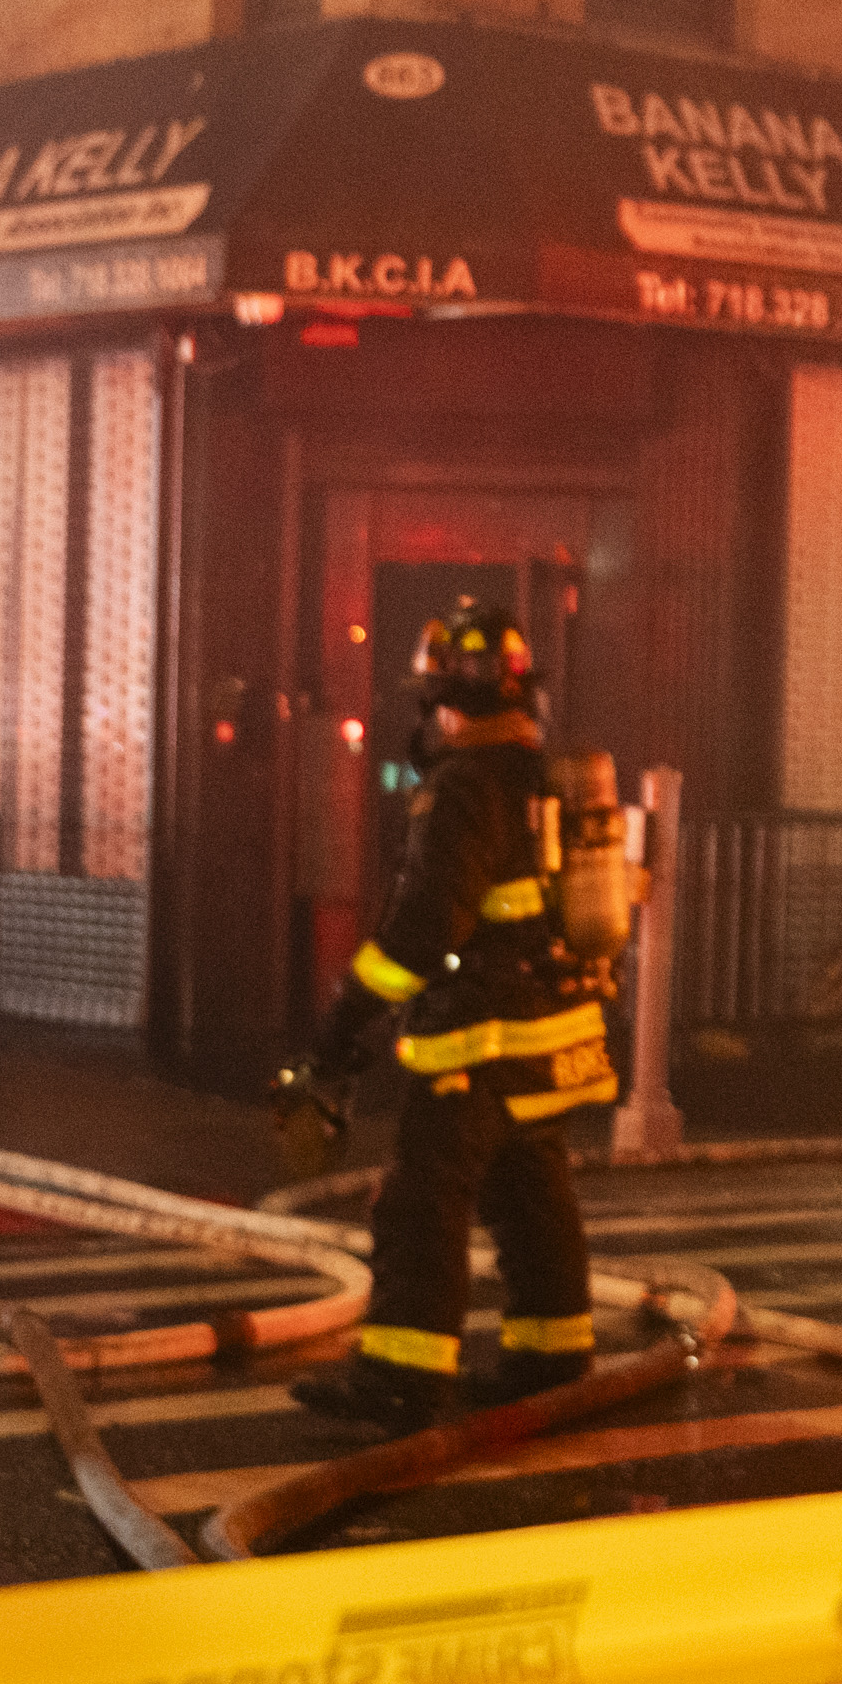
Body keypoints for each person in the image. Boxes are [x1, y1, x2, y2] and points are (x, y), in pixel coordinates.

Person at [287, 598, 620, 1432]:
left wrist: (344, 1015)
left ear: (445, 701)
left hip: (482, 1037)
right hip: (555, 1034)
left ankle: (401, 1378)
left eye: (431, 698)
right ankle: (551, 1357)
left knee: (420, 1205)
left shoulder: (463, 786)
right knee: (532, 1193)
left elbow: (428, 928)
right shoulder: (542, 780)